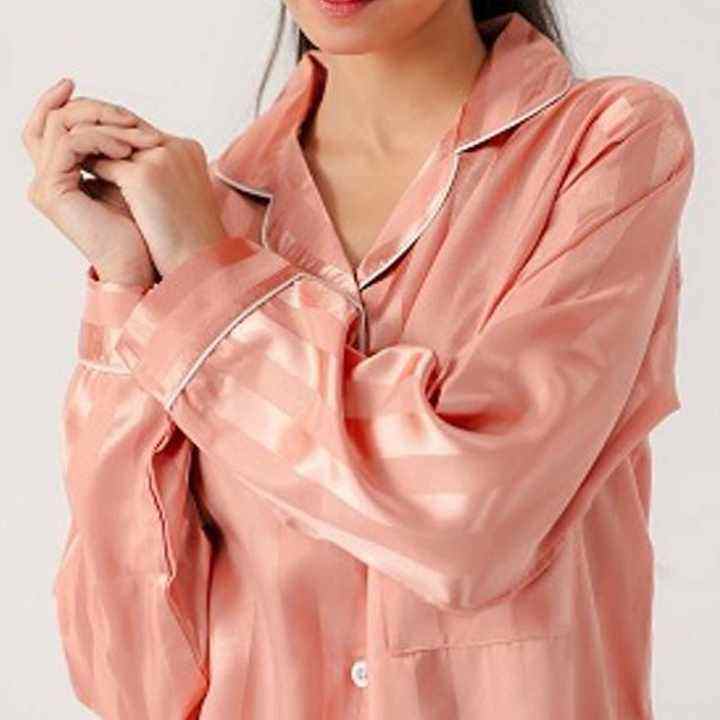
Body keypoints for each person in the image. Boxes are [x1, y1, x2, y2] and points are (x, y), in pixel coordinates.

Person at [23, 2, 695, 718]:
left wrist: (208, 295)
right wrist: (131, 288)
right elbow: (132, 682)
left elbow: (468, 524)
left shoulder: (606, 143)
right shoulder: (201, 217)